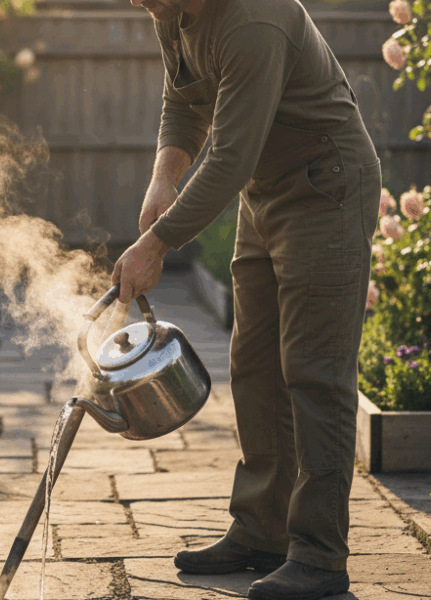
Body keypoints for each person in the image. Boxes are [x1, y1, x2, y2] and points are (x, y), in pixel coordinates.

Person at [109, 0, 381, 598]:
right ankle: (262, 530)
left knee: (314, 371)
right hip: (264, 195)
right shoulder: (172, 8)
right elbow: (182, 99)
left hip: (325, 186)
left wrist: (157, 243)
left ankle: (318, 556)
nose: (136, 1)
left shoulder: (255, 20)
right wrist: (163, 176)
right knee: (255, 365)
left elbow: (230, 157)